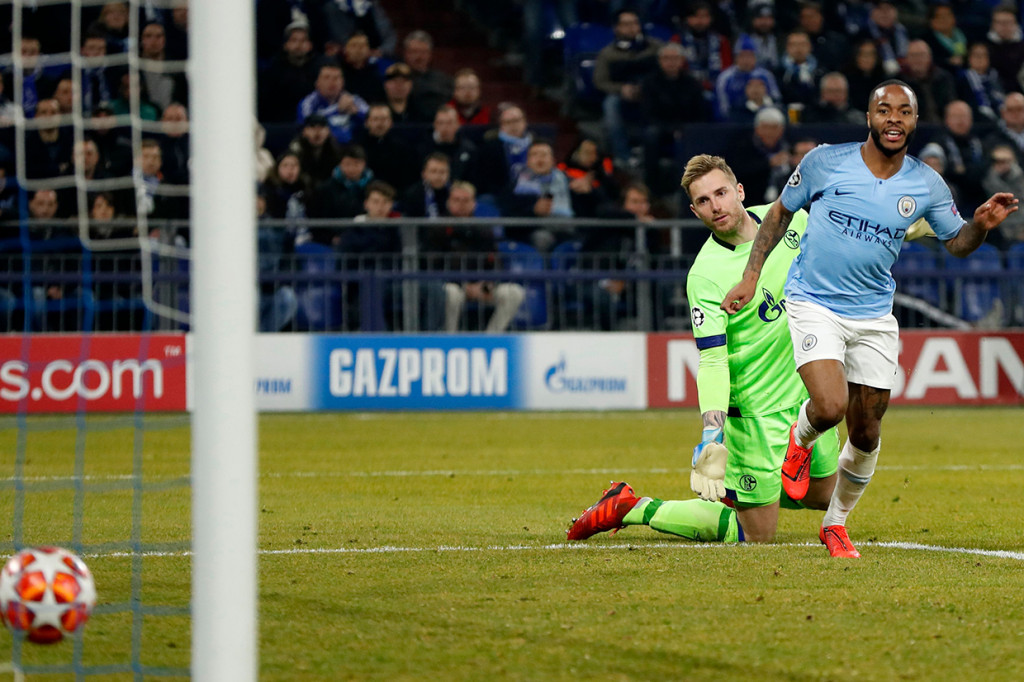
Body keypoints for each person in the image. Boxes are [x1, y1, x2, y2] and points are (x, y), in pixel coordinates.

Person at [720, 80, 1018, 557]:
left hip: (874, 314)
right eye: (884, 110)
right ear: (869, 117)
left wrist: (979, 225)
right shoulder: (824, 161)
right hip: (813, 301)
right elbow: (778, 215)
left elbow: (957, 245)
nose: (894, 119)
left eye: (904, 111)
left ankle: (835, 524)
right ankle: (800, 442)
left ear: (916, 121)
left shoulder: (926, 184)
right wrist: (751, 277)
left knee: (867, 429)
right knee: (830, 404)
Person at [567, 155, 840, 545]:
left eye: (721, 193)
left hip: (806, 403)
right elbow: (712, 357)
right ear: (694, 211)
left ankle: (737, 496)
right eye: (704, 201)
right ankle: (633, 507)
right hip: (755, 417)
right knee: (757, 535)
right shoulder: (705, 276)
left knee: (825, 495)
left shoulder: (789, 220)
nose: (717, 206)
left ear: (739, 191)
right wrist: (712, 434)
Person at [423, 181, 525, 333]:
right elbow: (433, 264)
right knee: (451, 293)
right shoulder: (438, 228)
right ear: (448, 203)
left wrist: (487, 284)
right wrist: (464, 284)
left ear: (474, 204)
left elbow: (495, 262)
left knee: (514, 292)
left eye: (466, 201)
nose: (461, 205)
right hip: (451, 284)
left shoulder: (483, 229)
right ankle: (450, 339)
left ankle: (492, 338)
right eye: (456, 200)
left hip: (480, 285)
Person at [593, 9, 663, 168]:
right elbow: (600, 81)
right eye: (626, 24)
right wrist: (621, 89)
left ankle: (652, 151)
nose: (631, 27)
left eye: (635, 23)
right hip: (621, 94)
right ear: (616, 28)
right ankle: (623, 155)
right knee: (610, 104)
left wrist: (647, 87)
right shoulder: (607, 53)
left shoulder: (655, 47)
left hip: (652, 91)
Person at [639, 42, 708, 195]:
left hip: (686, 128)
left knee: (696, 135)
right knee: (650, 135)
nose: (671, 62)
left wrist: (683, 129)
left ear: (682, 60)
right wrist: (671, 130)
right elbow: (648, 114)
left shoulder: (692, 83)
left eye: (675, 58)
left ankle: (690, 188)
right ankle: (652, 187)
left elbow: (700, 113)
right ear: (660, 61)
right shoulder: (650, 83)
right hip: (660, 128)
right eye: (666, 58)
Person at [258, 20, 318, 123]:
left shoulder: (319, 68)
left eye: (303, 40)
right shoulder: (274, 69)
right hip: (281, 123)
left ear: (310, 45)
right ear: (286, 45)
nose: (299, 45)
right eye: (294, 40)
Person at [296, 62, 369, 145]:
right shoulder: (308, 103)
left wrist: (356, 112)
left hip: (353, 147)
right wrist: (337, 109)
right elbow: (308, 122)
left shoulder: (352, 100)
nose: (332, 82)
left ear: (343, 82)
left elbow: (371, 116)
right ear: (317, 83)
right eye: (327, 78)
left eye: (336, 78)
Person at [358, 104, 419, 195]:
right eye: (375, 119)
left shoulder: (403, 148)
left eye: (384, 119)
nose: (380, 123)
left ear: (391, 122)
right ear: (367, 122)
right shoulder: (358, 147)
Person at [417, 105, 478, 182]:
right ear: (434, 125)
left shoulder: (469, 149)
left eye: (449, 122)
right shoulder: (422, 149)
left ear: (458, 125)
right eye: (440, 123)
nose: (445, 127)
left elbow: (473, 180)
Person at [402, 30, 453, 120]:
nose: (419, 57)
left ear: (430, 54)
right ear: (406, 53)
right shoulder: (396, 80)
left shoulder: (443, 80)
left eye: (423, 52)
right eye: (414, 51)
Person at [288, 114, 342, 184]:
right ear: (304, 131)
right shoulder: (296, 149)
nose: (317, 132)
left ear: (328, 131)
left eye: (322, 127)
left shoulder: (335, 148)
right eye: (312, 127)